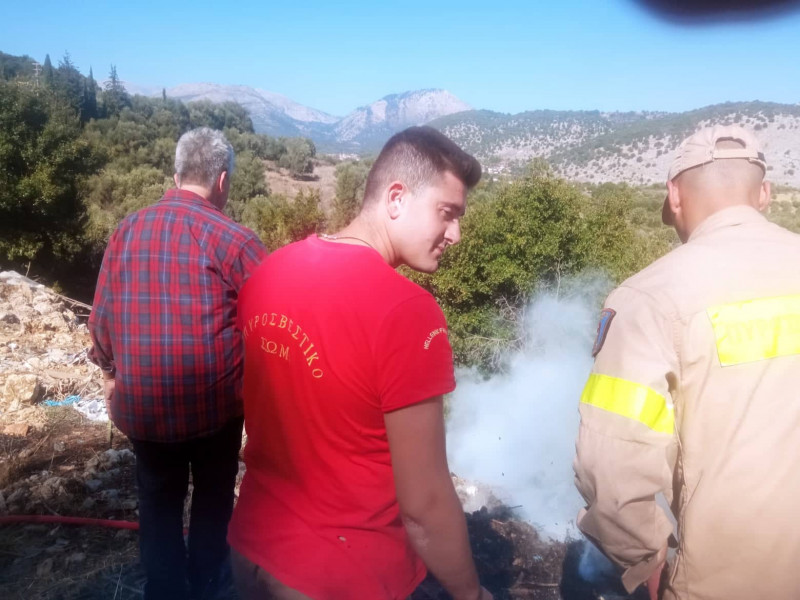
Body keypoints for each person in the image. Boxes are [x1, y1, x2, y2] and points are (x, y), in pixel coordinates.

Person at [227, 126, 492, 600]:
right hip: (341, 576)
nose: (456, 234)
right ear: (397, 198)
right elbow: (425, 504)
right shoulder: (407, 311)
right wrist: (471, 594)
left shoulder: (269, 271)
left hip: (250, 549)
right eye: (447, 213)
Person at [573, 124, 800, 600]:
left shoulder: (649, 298)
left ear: (674, 196)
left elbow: (611, 466)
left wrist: (645, 558)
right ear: (764, 193)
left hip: (727, 583)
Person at [88, 127, 268, 600]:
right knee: (214, 495)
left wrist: (109, 374)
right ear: (223, 181)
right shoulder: (237, 241)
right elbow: (274, 324)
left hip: (144, 410)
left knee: (157, 501)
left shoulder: (126, 230)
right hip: (215, 412)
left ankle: (165, 589)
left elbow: (101, 319)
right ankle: (208, 580)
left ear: (176, 175)